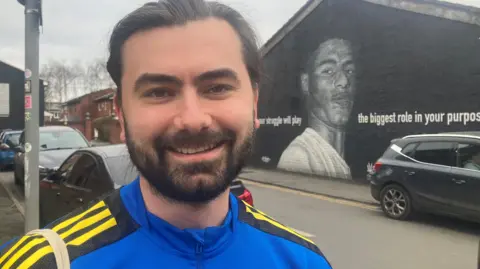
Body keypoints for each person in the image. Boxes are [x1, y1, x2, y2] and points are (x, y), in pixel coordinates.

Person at [0, 1, 332, 268]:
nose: (192, 120)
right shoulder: (45, 262)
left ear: (254, 104)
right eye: (159, 92)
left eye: (217, 87)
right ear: (121, 111)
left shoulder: (304, 260)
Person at [277, 38, 355, 180]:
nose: (343, 81)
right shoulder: (299, 157)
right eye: (328, 71)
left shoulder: (343, 157)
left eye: (349, 70)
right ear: (306, 83)